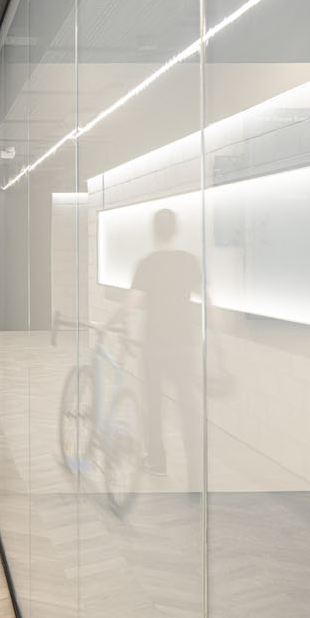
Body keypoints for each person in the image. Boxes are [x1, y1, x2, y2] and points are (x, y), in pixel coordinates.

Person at [115, 208, 202, 487]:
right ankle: (196, 472)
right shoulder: (189, 261)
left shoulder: (148, 264)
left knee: (154, 404)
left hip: (155, 345)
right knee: (188, 408)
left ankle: (157, 460)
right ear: (175, 230)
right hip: (184, 344)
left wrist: (109, 323)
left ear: (154, 231)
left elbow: (130, 305)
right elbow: (207, 299)